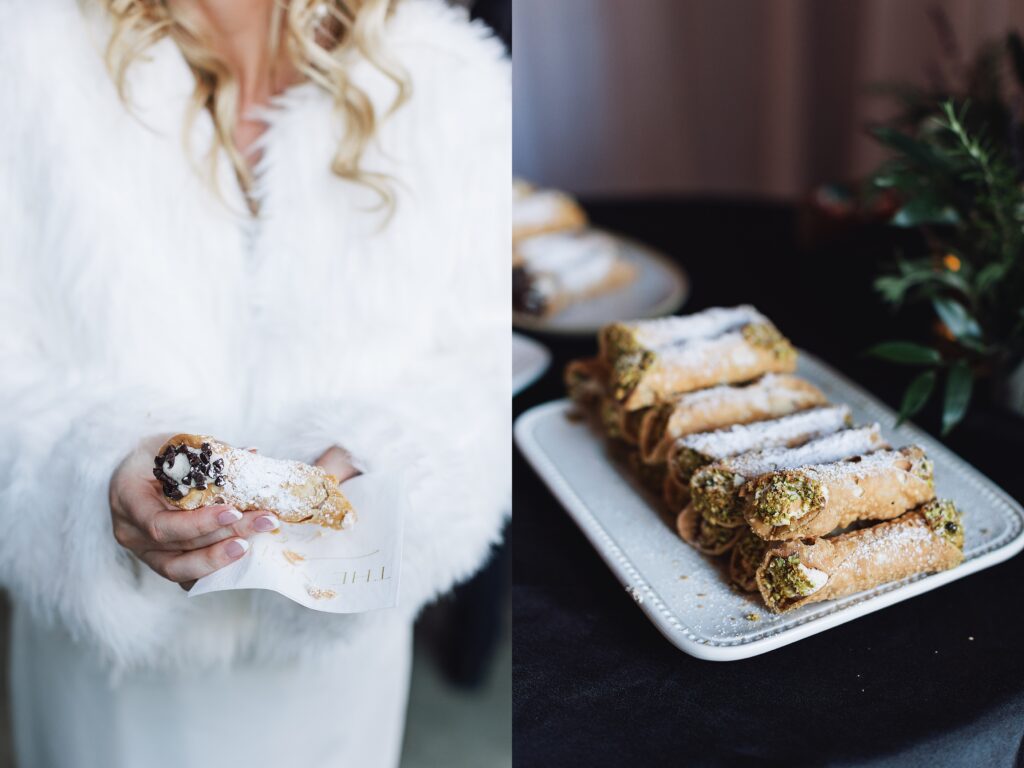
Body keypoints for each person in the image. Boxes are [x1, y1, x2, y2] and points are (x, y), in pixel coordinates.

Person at [0, 1, 509, 766]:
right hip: (112, 689)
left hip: (335, 684)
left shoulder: (449, 78)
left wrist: (387, 472)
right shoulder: (28, 51)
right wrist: (93, 476)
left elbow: (478, 371)